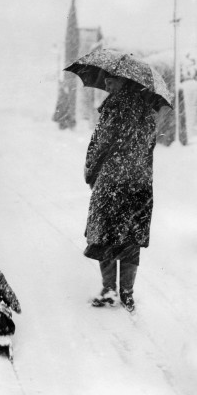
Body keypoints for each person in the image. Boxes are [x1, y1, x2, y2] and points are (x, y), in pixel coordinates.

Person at [84, 75, 156, 312]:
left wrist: (91, 171)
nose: (106, 85)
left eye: (110, 81)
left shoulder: (113, 108)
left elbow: (100, 144)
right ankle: (127, 292)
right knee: (131, 236)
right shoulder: (146, 110)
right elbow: (150, 146)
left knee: (104, 233)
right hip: (139, 183)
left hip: (113, 180)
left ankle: (109, 289)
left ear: (123, 82)